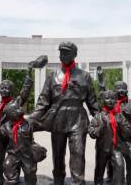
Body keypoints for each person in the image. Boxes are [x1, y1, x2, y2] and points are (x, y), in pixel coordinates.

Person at [29, 41, 100, 185]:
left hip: (78, 119)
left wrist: (100, 118)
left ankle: (78, 182)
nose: (63, 55)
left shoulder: (84, 76)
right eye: (61, 52)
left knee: (78, 154)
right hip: (58, 119)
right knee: (58, 156)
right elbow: (43, 102)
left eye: (66, 52)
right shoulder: (52, 76)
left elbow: (92, 102)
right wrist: (31, 119)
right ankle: (58, 181)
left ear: (75, 54)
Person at [96, 67, 131, 185]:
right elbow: (104, 91)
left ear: (127, 91)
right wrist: (100, 78)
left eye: (123, 88)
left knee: (130, 159)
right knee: (111, 159)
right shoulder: (110, 104)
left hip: (127, 136)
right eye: (118, 88)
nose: (120, 90)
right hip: (112, 136)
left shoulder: (130, 104)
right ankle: (110, 177)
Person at [0, 71, 33, 185]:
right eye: (2, 88)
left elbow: (25, 93)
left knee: (14, 158)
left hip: (11, 135)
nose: (4, 90)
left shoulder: (16, 102)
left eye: (7, 88)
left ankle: (14, 178)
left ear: (12, 90)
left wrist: (28, 76)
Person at [89, 90, 129, 185]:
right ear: (103, 100)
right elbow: (91, 133)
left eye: (113, 98)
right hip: (102, 149)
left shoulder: (120, 116)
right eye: (107, 98)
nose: (110, 100)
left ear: (116, 100)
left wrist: (121, 125)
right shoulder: (98, 117)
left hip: (117, 149)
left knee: (120, 167)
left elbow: (127, 133)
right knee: (99, 170)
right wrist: (99, 128)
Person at [0, 102, 46, 185]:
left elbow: (44, 124)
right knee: (7, 166)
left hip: (27, 155)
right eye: (18, 108)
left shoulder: (29, 123)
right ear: (12, 114)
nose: (21, 108)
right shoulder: (5, 126)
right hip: (13, 154)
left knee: (30, 174)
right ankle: (12, 181)